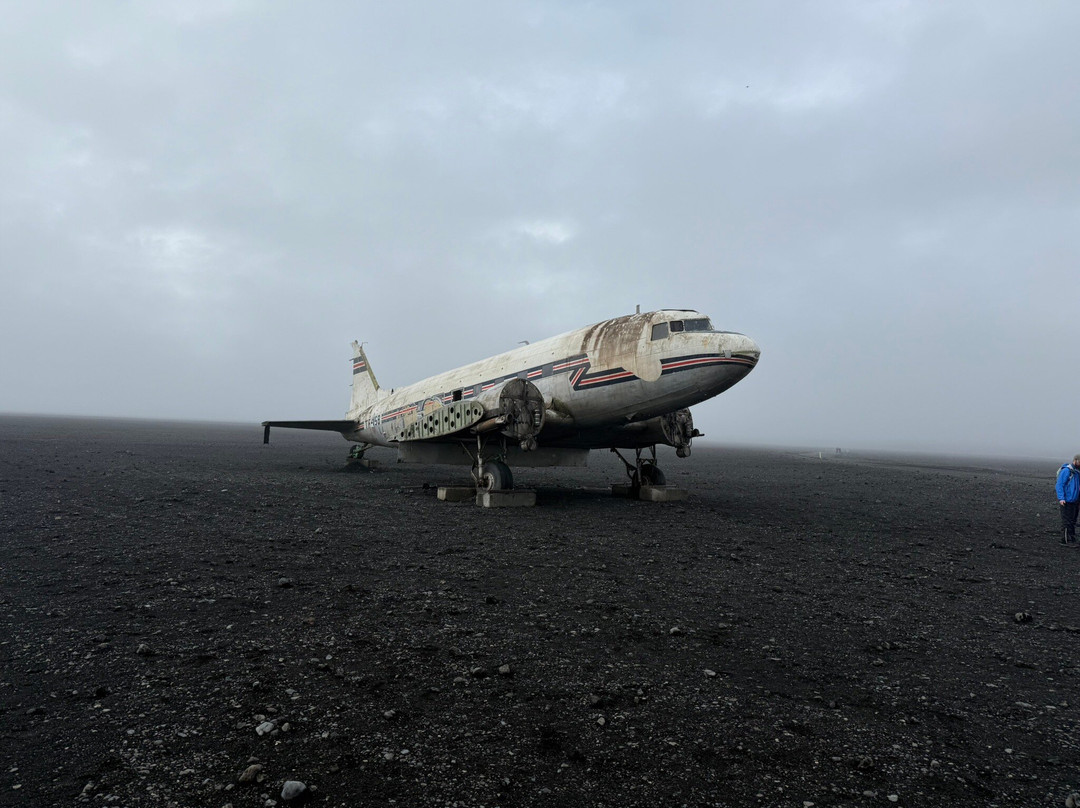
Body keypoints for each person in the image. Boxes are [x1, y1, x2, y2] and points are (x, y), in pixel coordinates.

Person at [1056, 455, 1080, 545]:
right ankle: (1065, 540)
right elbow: (1059, 485)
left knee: (1073, 520)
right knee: (1067, 521)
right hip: (1067, 500)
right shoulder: (1067, 471)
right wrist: (1061, 498)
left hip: (1075, 500)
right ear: (1075, 461)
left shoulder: (1077, 472)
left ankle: (1072, 537)